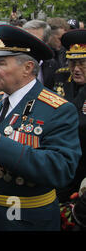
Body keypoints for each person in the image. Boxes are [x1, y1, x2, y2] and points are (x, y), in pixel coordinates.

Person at [0, 24, 82, 231]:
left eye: (0, 63)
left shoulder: (58, 109)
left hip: (25, 220)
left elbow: (61, 170)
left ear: (27, 68)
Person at [53, 29, 86, 204]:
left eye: (82, 63)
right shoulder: (61, 76)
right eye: (73, 63)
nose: (76, 69)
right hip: (62, 159)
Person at [22, 20, 59, 89]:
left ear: (45, 43)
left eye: (34, 40)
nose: (28, 43)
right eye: (25, 39)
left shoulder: (52, 65)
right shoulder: (12, 63)